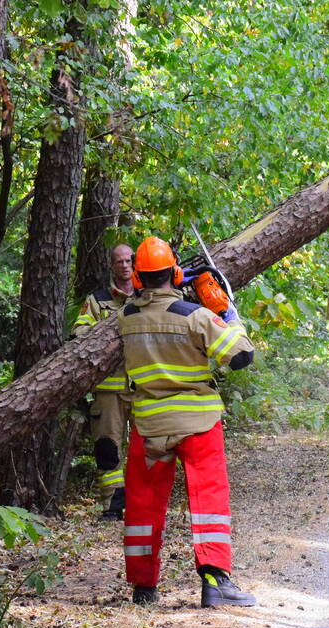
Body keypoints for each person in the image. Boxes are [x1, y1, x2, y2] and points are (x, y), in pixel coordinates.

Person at [119, 236, 257, 608]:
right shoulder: (194, 316)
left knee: (142, 505)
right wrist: (229, 315)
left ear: (137, 278)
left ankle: (144, 589)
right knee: (208, 498)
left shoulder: (126, 319)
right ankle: (215, 582)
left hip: (148, 426)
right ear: (175, 273)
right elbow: (241, 356)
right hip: (197, 423)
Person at [73, 244, 135, 522]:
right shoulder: (97, 300)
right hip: (109, 389)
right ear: (111, 265)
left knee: (151, 448)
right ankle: (112, 506)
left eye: (129, 260)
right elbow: (79, 331)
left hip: (145, 386)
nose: (124, 265)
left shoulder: (150, 295)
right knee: (108, 449)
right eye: (119, 261)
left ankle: (144, 503)